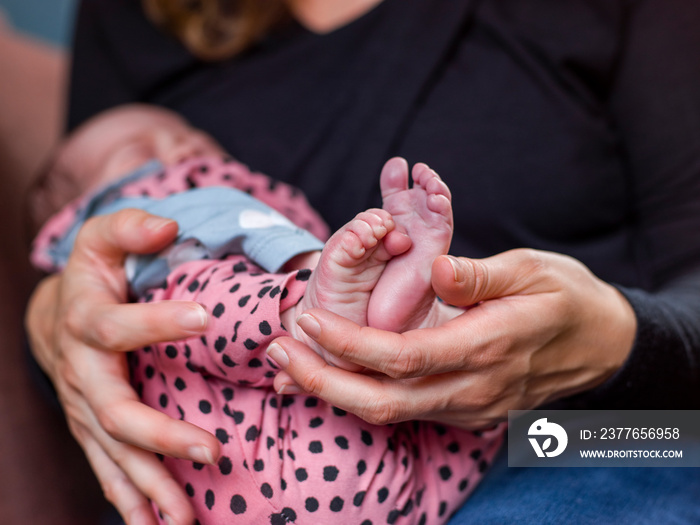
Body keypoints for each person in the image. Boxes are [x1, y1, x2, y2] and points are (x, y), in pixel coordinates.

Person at [24, 1, 700, 524]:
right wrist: (54, 313)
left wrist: (613, 337)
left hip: (587, 429)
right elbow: (85, 207)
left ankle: (352, 303)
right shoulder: (136, 15)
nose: (173, 148)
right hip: (259, 460)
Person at [31, 103, 503, 524]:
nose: (178, 145)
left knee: (515, 431)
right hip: (254, 430)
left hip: (524, 436)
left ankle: (413, 331)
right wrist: (47, 308)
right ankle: (321, 314)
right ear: (73, 216)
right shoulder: (156, 198)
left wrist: (572, 414)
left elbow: (567, 439)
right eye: (140, 149)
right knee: (192, 301)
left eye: (188, 131)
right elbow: (218, 219)